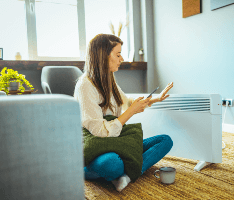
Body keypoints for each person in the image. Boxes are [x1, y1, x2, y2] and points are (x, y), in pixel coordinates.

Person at [74, 34, 174, 192]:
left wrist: (156, 99)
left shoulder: (109, 79)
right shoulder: (85, 85)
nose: (122, 58)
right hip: (95, 142)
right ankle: (84, 170)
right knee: (112, 164)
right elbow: (99, 131)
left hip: (115, 140)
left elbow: (127, 102)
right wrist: (131, 112)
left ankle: (125, 177)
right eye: (118, 54)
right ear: (103, 56)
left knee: (165, 141)